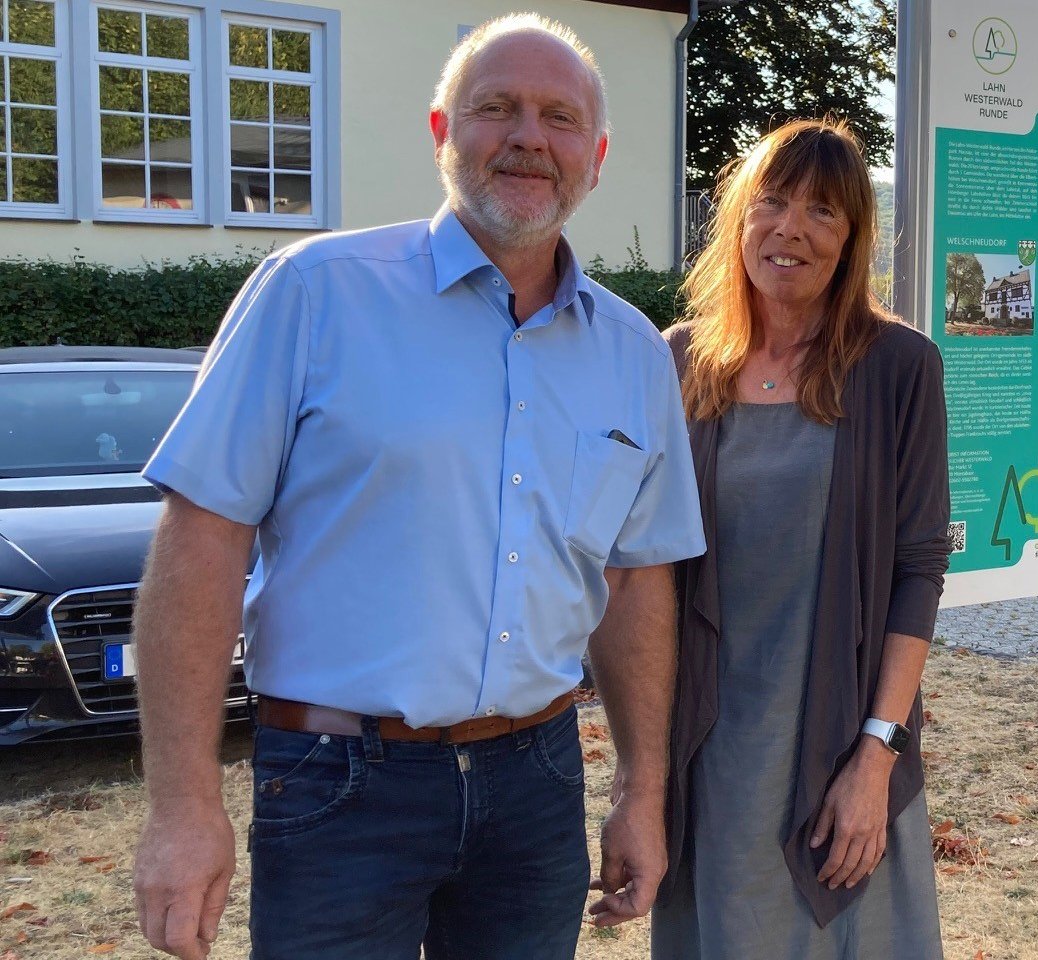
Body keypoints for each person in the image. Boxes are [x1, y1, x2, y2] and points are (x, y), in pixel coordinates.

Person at [127, 15, 703, 959]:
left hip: (537, 784)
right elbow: (202, 537)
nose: (529, 137)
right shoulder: (314, 293)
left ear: (596, 157)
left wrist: (641, 792)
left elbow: (636, 580)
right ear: (442, 132)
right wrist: (183, 806)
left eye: (560, 118)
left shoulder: (634, 353)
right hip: (338, 782)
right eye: (496, 108)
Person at [654, 118, 950, 959]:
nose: (791, 229)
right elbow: (640, 566)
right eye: (772, 202)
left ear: (852, 236)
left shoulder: (899, 366)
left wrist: (876, 758)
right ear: (739, 217)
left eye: (822, 210)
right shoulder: (679, 362)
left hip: (840, 744)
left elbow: (919, 570)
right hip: (713, 750)